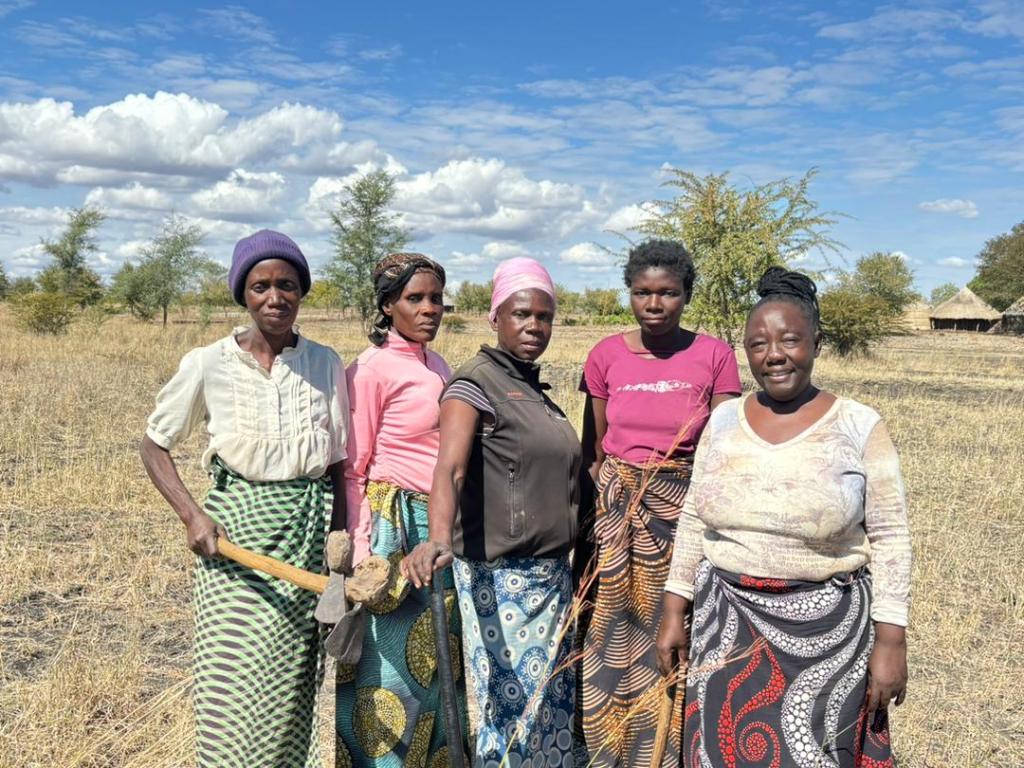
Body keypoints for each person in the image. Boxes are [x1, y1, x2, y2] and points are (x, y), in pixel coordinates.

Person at [656, 267, 911, 768]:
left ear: (816, 342)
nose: (773, 355)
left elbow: (891, 536)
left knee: (813, 753)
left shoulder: (859, 425)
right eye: (757, 345)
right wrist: (672, 611)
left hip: (827, 638)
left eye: (790, 340)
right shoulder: (724, 421)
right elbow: (693, 517)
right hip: (723, 627)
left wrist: (891, 641)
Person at [140, 229, 348, 768]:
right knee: (229, 682)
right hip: (232, 542)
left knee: (287, 681)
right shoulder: (208, 362)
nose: (274, 297)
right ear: (243, 294)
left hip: (304, 535)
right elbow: (154, 443)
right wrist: (193, 516)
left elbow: (338, 462)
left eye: (286, 285)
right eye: (260, 286)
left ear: (302, 292)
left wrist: (338, 549)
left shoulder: (325, 363)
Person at [401, 257, 580, 768]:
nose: (534, 326)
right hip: (503, 582)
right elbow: (450, 470)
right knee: (514, 710)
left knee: (549, 710)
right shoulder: (473, 384)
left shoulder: (530, 389)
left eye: (544, 316)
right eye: (521, 313)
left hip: (549, 580)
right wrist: (438, 537)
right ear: (494, 318)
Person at [573, 239, 742, 767]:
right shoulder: (606, 355)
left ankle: (673, 749)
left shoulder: (714, 355)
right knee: (614, 625)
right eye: (642, 292)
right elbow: (594, 446)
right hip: (620, 512)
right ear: (629, 294)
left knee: (681, 624)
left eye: (667, 293)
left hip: (687, 509)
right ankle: (612, 746)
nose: (654, 303)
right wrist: (605, 500)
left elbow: (726, 442)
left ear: (686, 294)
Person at [335, 252, 467, 767]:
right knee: (386, 673)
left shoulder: (439, 365)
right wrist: (365, 551)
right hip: (391, 528)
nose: (429, 308)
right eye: (415, 298)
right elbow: (354, 467)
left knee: (439, 666)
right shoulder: (370, 370)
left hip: (435, 528)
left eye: (436, 298)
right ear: (388, 305)